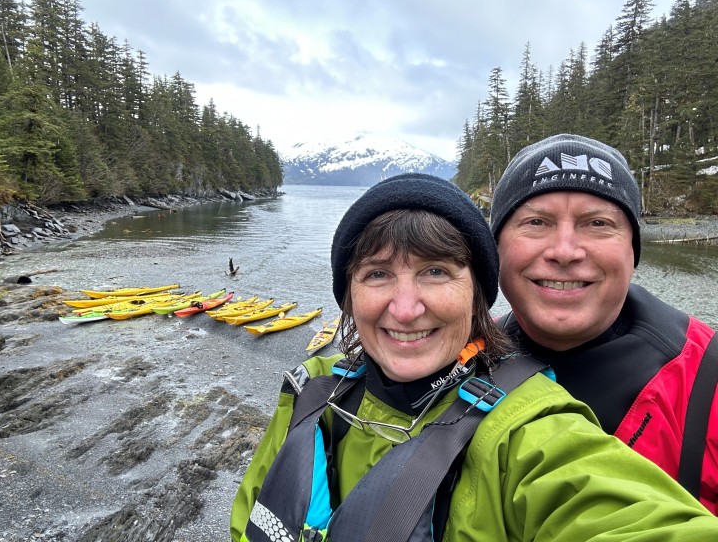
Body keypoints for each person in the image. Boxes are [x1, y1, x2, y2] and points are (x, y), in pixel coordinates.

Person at [231, 172, 718, 541]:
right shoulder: (311, 389)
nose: (405, 308)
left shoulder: (527, 430)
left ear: (477, 298)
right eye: (377, 274)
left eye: (437, 272)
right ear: (349, 297)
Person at [490, 133, 718, 515]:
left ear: (633, 252)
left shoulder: (707, 381)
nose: (564, 251)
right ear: (495, 249)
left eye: (597, 223)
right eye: (536, 222)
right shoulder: (457, 366)